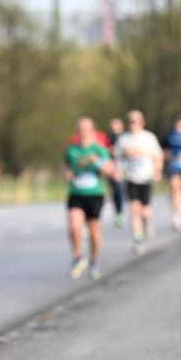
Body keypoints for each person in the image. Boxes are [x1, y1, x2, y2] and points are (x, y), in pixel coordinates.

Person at [64, 117, 114, 280]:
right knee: (74, 227)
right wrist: (67, 174)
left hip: (94, 194)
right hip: (76, 193)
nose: (83, 132)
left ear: (92, 131)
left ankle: (94, 261)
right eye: (80, 129)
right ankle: (78, 257)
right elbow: (66, 168)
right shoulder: (70, 150)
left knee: (93, 231)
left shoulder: (99, 149)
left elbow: (110, 170)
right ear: (77, 131)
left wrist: (96, 161)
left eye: (86, 129)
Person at [112, 110, 163, 255]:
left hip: (146, 177)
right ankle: (138, 239)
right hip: (130, 178)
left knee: (145, 211)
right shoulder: (123, 139)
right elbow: (117, 157)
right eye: (131, 121)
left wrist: (157, 170)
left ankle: (147, 222)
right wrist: (117, 171)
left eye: (136, 121)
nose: (133, 124)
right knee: (134, 209)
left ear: (142, 122)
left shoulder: (149, 138)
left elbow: (158, 156)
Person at [106, 117, 125, 227]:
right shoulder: (108, 138)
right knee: (116, 190)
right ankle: (118, 212)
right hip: (113, 168)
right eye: (113, 125)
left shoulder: (126, 137)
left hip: (127, 168)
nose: (115, 127)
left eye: (117, 125)